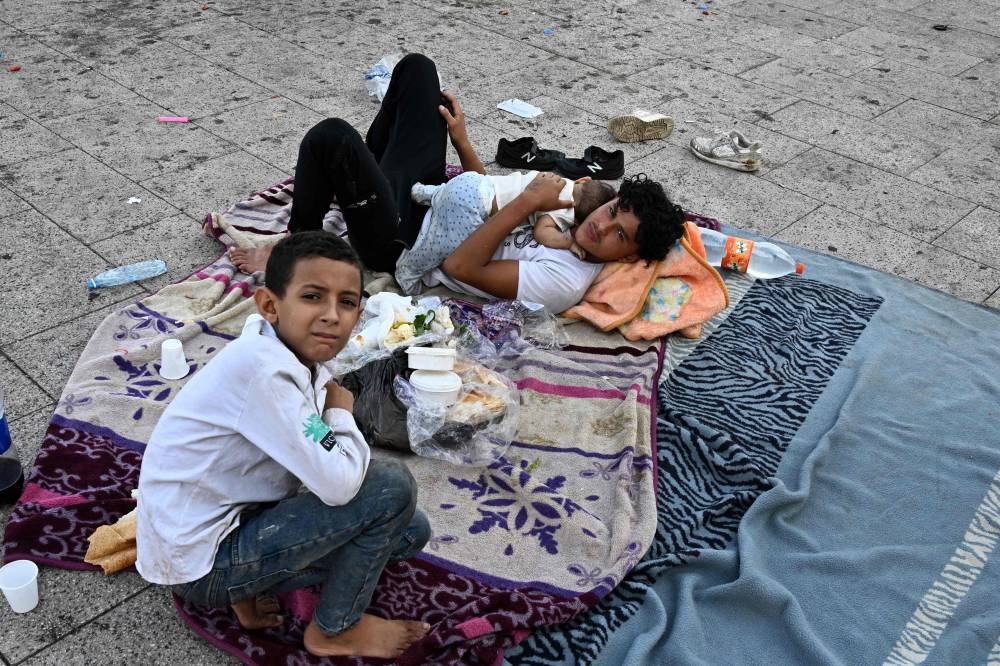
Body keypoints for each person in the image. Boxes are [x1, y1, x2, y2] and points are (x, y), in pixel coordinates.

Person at [136, 231, 432, 659]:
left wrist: (331, 425)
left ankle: (246, 589)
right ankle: (334, 630)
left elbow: (315, 448)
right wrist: (341, 414)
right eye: (313, 297)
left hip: (228, 524)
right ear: (270, 305)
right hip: (200, 564)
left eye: (347, 302)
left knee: (409, 531)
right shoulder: (265, 372)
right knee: (390, 486)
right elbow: (339, 483)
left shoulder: (280, 350)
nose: (332, 315)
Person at [230, 53, 685, 313]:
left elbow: (461, 267)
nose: (602, 227)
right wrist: (462, 141)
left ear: (631, 256)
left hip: (405, 239)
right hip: (438, 198)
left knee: (331, 137)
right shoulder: (578, 211)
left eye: (619, 236)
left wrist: (530, 203)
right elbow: (487, 200)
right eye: (612, 213)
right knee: (417, 70)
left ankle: (294, 247)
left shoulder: (564, 280)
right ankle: (364, 178)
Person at [395, 172, 616, 294]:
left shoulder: (557, 180)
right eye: (611, 212)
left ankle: (427, 193)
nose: (600, 226)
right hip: (467, 208)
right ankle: (409, 270)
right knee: (441, 244)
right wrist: (567, 242)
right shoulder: (564, 207)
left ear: (584, 180)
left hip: (469, 182)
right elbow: (542, 233)